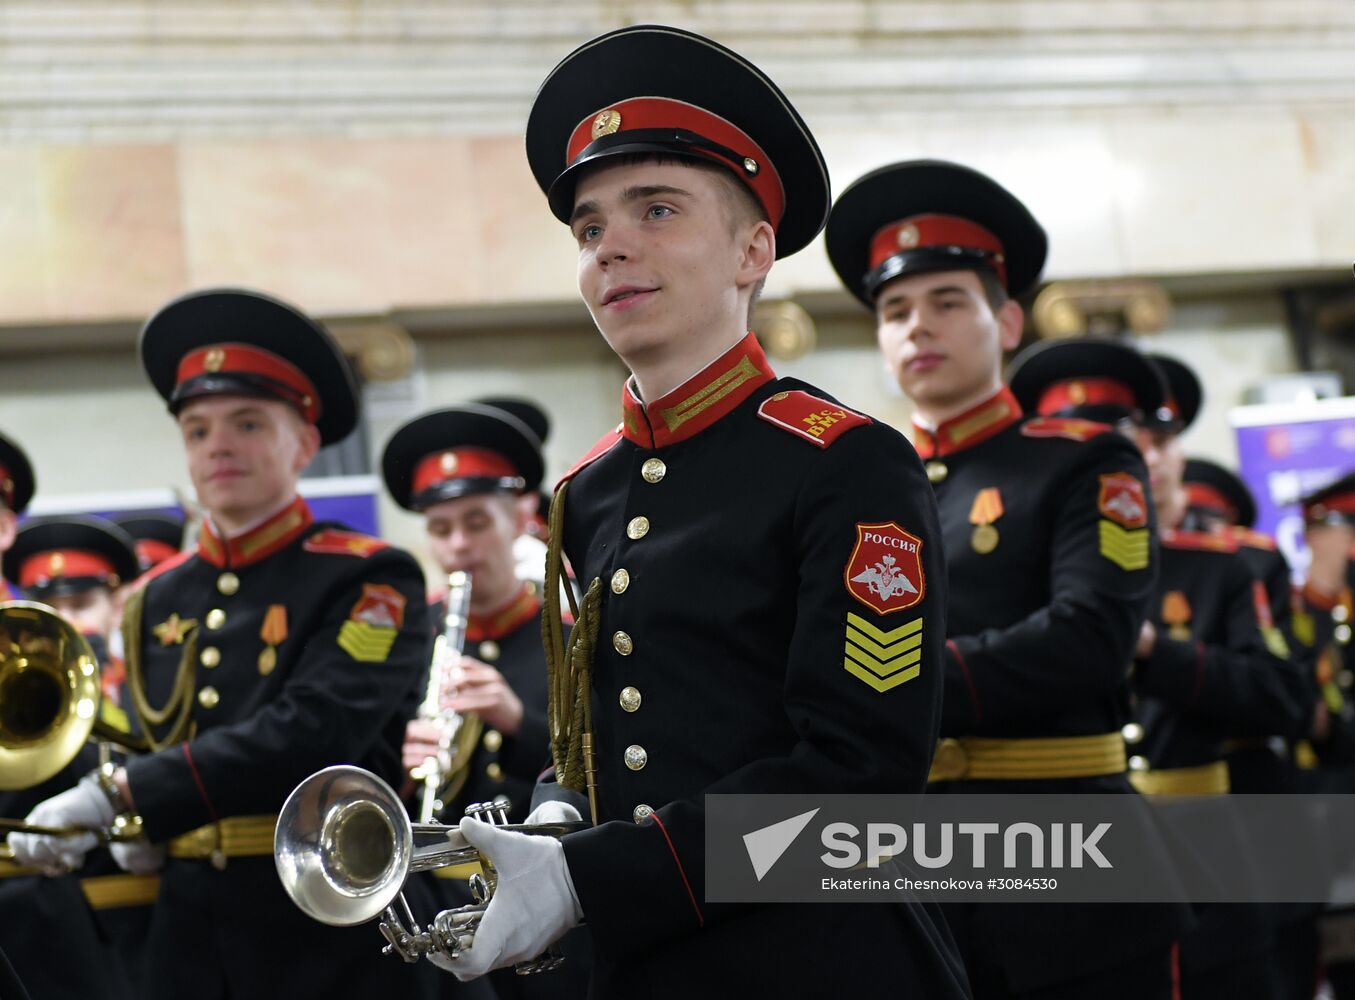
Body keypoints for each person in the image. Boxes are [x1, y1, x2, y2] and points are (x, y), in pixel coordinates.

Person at [428, 24, 969, 999]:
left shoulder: (842, 460)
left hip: (816, 962)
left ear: (751, 251)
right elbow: (591, 732)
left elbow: (860, 774)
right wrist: (553, 823)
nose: (610, 246)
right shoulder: (587, 490)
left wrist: (592, 877)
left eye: (656, 209)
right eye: (588, 228)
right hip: (643, 964)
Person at [6, 288, 441, 1000]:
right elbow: (154, 732)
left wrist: (122, 794)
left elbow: (316, 727)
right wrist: (131, 825)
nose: (219, 446)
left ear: (304, 445)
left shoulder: (367, 575)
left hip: (328, 918)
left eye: (247, 423)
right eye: (198, 430)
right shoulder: (156, 597)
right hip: (189, 933)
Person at [826, 160, 1190, 999]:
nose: (918, 327)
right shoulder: (855, 482)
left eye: (947, 302)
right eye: (894, 311)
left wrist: (882, 688)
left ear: (1009, 320)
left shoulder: (1084, 460)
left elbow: (1090, 638)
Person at [1009, 338, 1311, 1000]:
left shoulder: (1225, 564)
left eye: (1151, 439)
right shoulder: (1021, 563)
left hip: (1205, 850)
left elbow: (1284, 698)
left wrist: (1152, 650)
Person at [383, 400, 586, 1000]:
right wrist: (402, 763)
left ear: (521, 516)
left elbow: (597, 769)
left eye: (477, 522)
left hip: (556, 909)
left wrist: (517, 721)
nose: (459, 545)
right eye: (440, 529)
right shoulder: (409, 639)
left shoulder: (569, 636)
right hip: (437, 906)